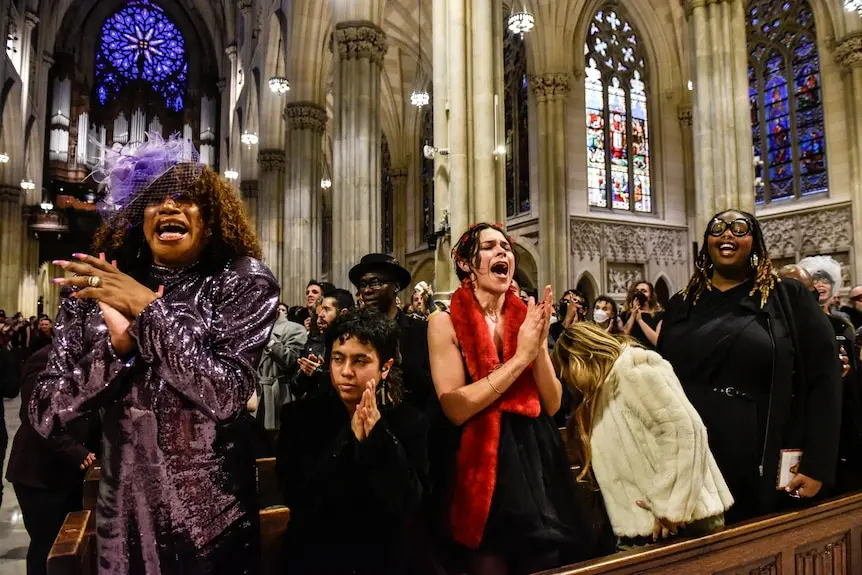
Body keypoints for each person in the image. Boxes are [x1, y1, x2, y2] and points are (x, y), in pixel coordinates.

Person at [31, 135, 279, 573]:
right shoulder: (97, 287)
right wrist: (116, 348)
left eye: (186, 198)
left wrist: (147, 310)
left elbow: (227, 394)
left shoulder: (242, 280)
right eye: (154, 199)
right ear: (136, 216)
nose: (169, 207)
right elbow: (47, 413)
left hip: (212, 523)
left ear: (212, 216)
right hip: (122, 522)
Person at [427, 223, 602, 574]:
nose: (503, 253)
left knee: (546, 561)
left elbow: (552, 404)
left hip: (533, 455)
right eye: (490, 247)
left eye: (506, 247)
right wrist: (520, 357)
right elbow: (455, 408)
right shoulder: (442, 322)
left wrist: (536, 345)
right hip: (477, 459)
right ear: (465, 263)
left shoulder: (525, 318)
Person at [658, 210, 842, 524]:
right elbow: (661, 382)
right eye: (718, 228)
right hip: (694, 452)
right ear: (707, 244)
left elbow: (825, 378)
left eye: (739, 228)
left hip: (760, 448)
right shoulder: (683, 303)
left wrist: (817, 464)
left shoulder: (787, 296)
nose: (727, 234)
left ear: (754, 242)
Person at [276, 308, 428, 574]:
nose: (346, 371)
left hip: (384, 558)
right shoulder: (299, 418)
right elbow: (302, 502)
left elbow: (408, 503)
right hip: (315, 556)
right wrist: (349, 439)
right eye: (338, 359)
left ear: (385, 367)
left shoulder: (408, 422)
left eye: (360, 361)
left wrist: (379, 437)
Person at [553, 323, 733, 545]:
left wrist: (670, 507)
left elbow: (684, 431)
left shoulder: (632, 370)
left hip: (681, 521)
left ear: (578, 360)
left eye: (566, 369)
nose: (568, 380)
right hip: (650, 525)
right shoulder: (606, 388)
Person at [7, 345, 100, 575]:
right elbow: (37, 416)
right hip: (41, 476)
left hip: (71, 475)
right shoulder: (45, 360)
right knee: (47, 550)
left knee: (70, 549)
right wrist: (75, 451)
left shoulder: (91, 358)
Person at [350, 254, 433, 411]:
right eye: (362, 284)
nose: (366, 290)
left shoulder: (421, 331)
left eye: (375, 282)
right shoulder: (354, 334)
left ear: (395, 286)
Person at [291, 288, 355, 401]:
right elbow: (296, 388)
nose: (320, 315)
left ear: (343, 313)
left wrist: (320, 374)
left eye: (326, 309)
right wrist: (305, 373)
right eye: (321, 309)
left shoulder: (356, 345)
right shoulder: (314, 343)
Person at [622, 281, 663, 349]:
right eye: (637, 291)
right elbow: (623, 338)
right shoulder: (625, 314)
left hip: (651, 353)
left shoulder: (659, 315)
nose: (639, 293)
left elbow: (657, 341)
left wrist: (640, 320)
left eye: (644, 291)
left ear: (650, 297)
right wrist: (632, 316)